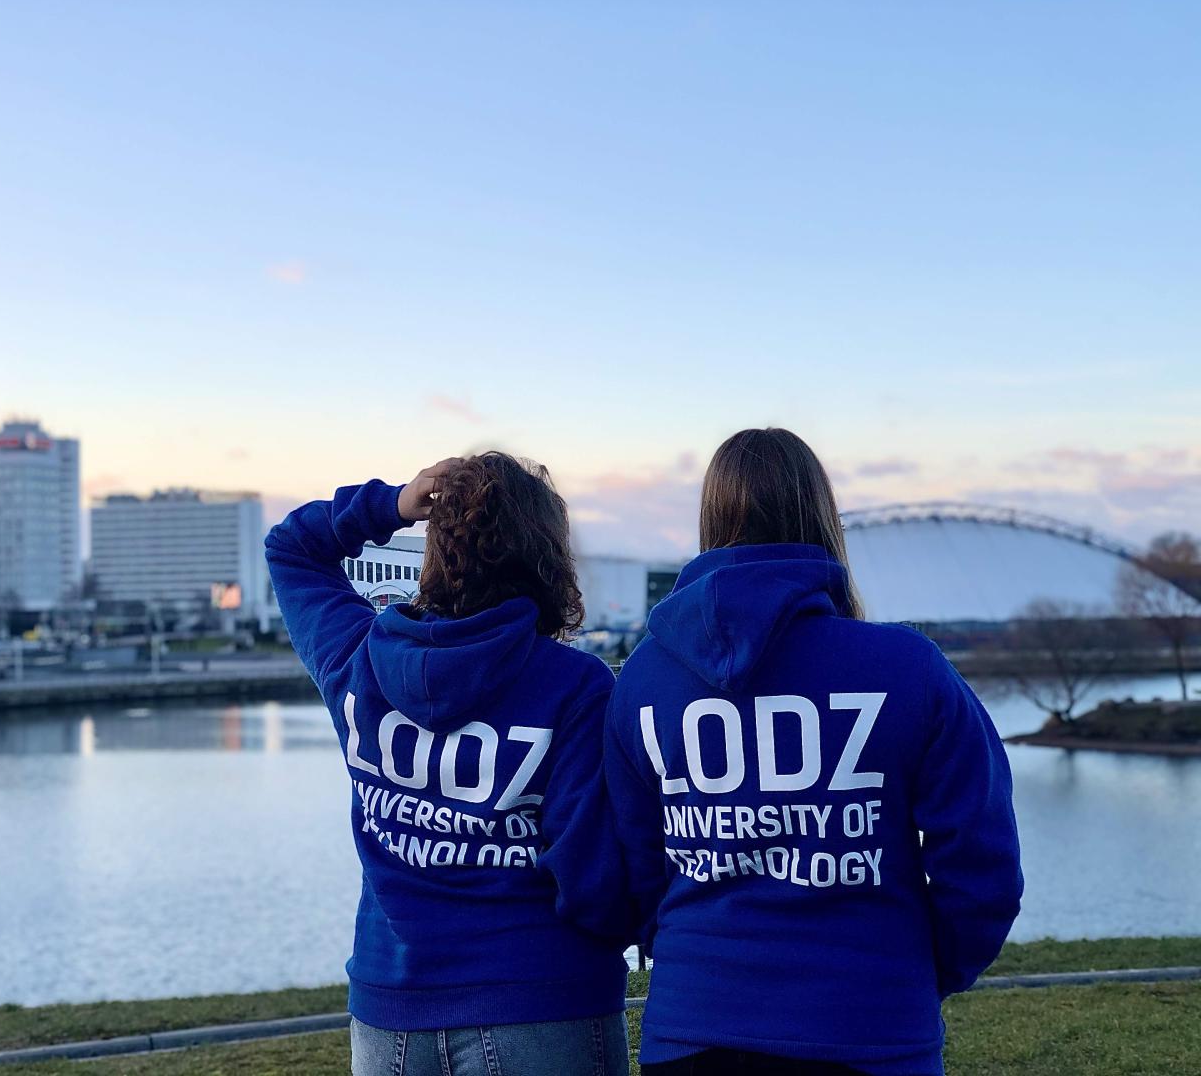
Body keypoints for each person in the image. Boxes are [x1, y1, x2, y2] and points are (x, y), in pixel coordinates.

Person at [605, 428, 1023, 1076]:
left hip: (692, 1030)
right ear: (823, 519)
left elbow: (638, 872)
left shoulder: (643, 680)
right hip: (872, 1029)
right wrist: (913, 973)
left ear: (710, 524)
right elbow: (983, 869)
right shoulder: (908, 669)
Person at [266, 453, 631, 1076]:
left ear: (436, 550)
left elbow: (293, 548)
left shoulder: (357, 656)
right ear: (548, 558)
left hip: (391, 1011)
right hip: (542, 995)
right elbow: (591, 874)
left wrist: (391, 504)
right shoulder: (575, 685)